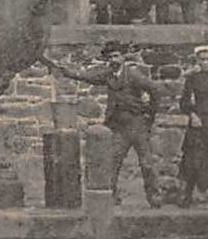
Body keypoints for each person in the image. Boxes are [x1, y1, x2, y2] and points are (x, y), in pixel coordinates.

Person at [47, 48, 164, 207]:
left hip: (137, 125)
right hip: (119, 127)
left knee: (147, 163)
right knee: (113, 162)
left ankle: (154, 198)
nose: (114, 60)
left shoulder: (133, 75)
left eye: (116, 56)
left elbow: (154, 89)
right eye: (110, 58)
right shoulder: (108, 74)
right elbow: (88, 77)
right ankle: (112, 197)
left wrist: (151, 113)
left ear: (123, 58)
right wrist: (66, 72)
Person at [178, 44, 208, 209]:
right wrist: (192, 115)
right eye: (201, 59)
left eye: (207, 59)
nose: (204, 62)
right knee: (192, 159)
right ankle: (188, 195)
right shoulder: (193, 78)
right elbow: (184, 101)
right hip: (197, 122)